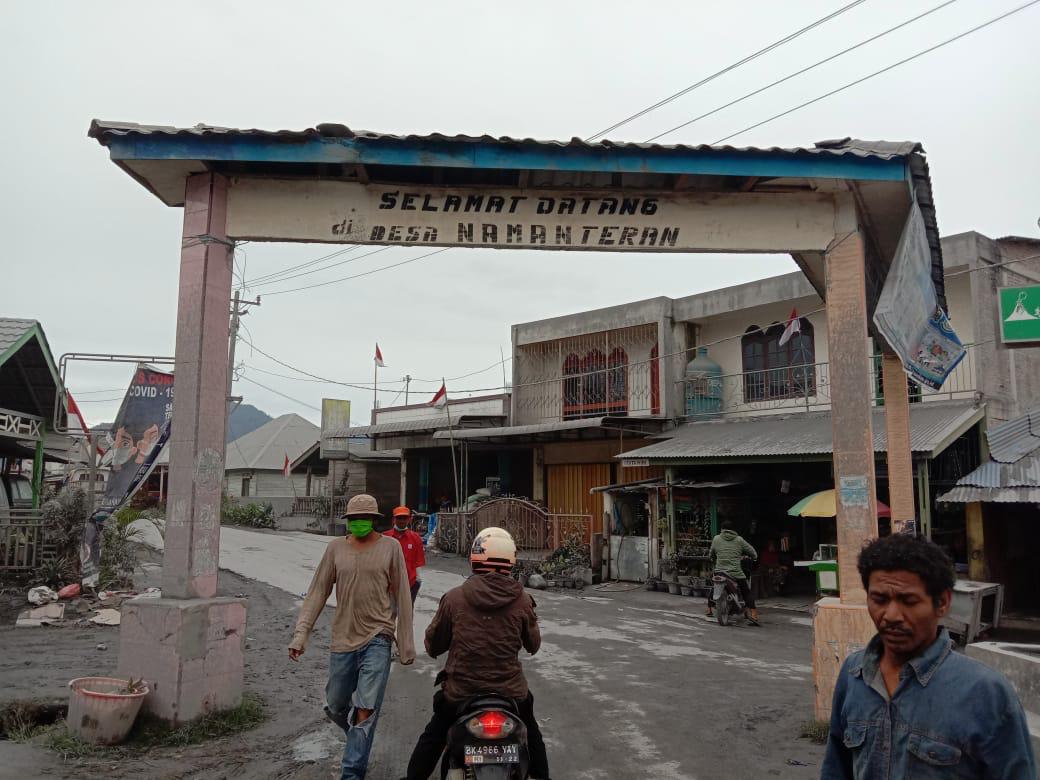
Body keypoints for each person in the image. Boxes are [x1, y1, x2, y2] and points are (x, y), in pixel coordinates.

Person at [822, 534, 1036, 779]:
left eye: (908, 601)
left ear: (942, 602)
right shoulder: (854, 674)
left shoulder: (986, 693)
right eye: (879, 599)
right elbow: (836, 768)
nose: (891, 615)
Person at [404, 527, 550, 780]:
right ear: (511, 560)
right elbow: (533, 645)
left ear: (475, 557)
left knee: (435, 734)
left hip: (461, 690)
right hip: (510, 691)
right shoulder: (523, 600)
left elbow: (432, 645)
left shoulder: (454, 598)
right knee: (531, 733)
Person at [289, 493, 416, 780]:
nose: (359, 524)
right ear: (348, 521)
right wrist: (301, 635)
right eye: (354, 520)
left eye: (364, 520)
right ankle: (358, 735)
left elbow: (403, 596)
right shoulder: (335, 549)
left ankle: (352, 772)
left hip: (378, 637)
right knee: (335, 706)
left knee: (366, 709)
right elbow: (317, 592)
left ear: (373, 521)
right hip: (343, 639)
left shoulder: (390, 548)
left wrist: (405, 645)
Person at [707, 520, 759, 624]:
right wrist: (754, 557)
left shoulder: (716, 538)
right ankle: (754, 613)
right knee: (746, 591)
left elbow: (711, 554)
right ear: (733, 530)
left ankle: (709, 609)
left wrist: (713, 559)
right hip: (735, 572)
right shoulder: (739, 540)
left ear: (722, 529)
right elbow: (752, 552)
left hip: (719, 571)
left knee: (714, 587)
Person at [384, 505, 426, 603]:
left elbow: (418, 561)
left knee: (406, 614)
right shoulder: (385, 537)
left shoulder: (416, 538)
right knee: (388, 614)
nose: (402, 520)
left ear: (409, 519)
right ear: (394, 519)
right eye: (399, 518)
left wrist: (417, 580)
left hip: (410, 583)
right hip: (389, 584)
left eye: (404, 518)